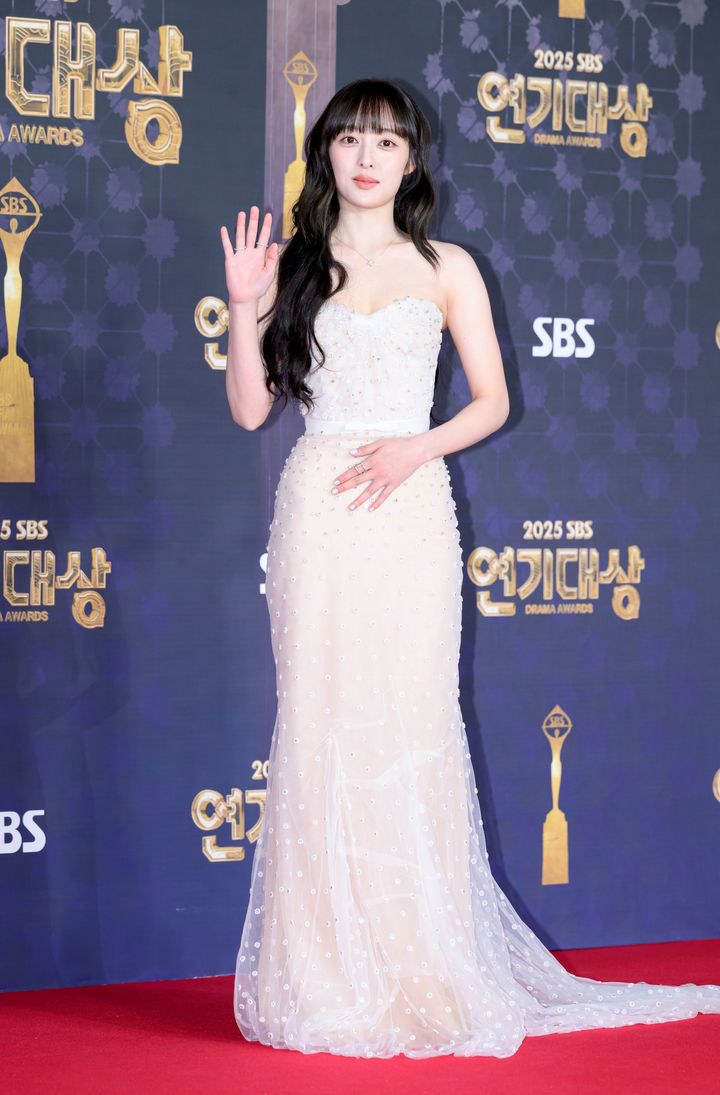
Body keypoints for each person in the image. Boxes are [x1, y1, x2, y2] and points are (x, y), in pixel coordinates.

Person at [220, 78, 720, 1059]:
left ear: (413, 160)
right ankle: (322, 975)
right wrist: (244, 306)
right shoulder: (296, 267)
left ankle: (420, 969)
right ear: (326, 155)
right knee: (319, 720)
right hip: (319, 513)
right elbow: (248, 409)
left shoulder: (447, 266)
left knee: (411, 719)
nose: (368, 157)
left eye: (388, 142)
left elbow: (491, 400)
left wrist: (418, 447)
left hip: (410, 507)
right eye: (351, 140)